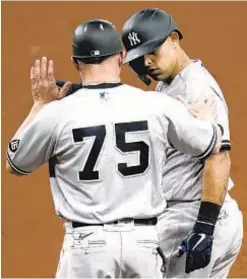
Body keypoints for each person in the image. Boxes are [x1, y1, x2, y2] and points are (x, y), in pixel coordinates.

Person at [6, 19, 222, 278]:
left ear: (76, 62)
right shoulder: (156, 105)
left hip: (87, 247)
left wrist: (40, 104)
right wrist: (203, 117)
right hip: (141, 246)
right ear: (121, 56)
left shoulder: (57, 114)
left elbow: (15, 162)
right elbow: (211, 143)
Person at [120, 7, 243, 278]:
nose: (148, 62)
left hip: (193, 218)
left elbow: (218, 157)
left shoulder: (196, 89)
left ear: (174, 39)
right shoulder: (170, 83)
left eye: (153, 51)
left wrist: (204, 227)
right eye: (141, 57)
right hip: (200, 216)